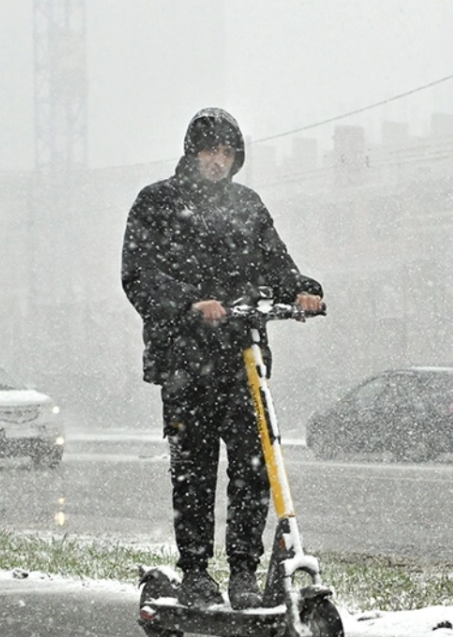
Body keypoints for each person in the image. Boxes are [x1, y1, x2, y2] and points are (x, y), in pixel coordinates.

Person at [121, 107, 324, 610]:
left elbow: (277, 260)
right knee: (194, 469)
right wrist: (190, 303)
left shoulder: (247, 205)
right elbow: (139, 275)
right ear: (192, 152)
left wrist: (301, 290)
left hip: (242, 357)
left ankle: (243, 573)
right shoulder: (158, 202)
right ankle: (194, 572)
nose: (219, 161)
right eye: (210, 151)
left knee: (253, 469)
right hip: (187, 361)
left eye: (228, 152)